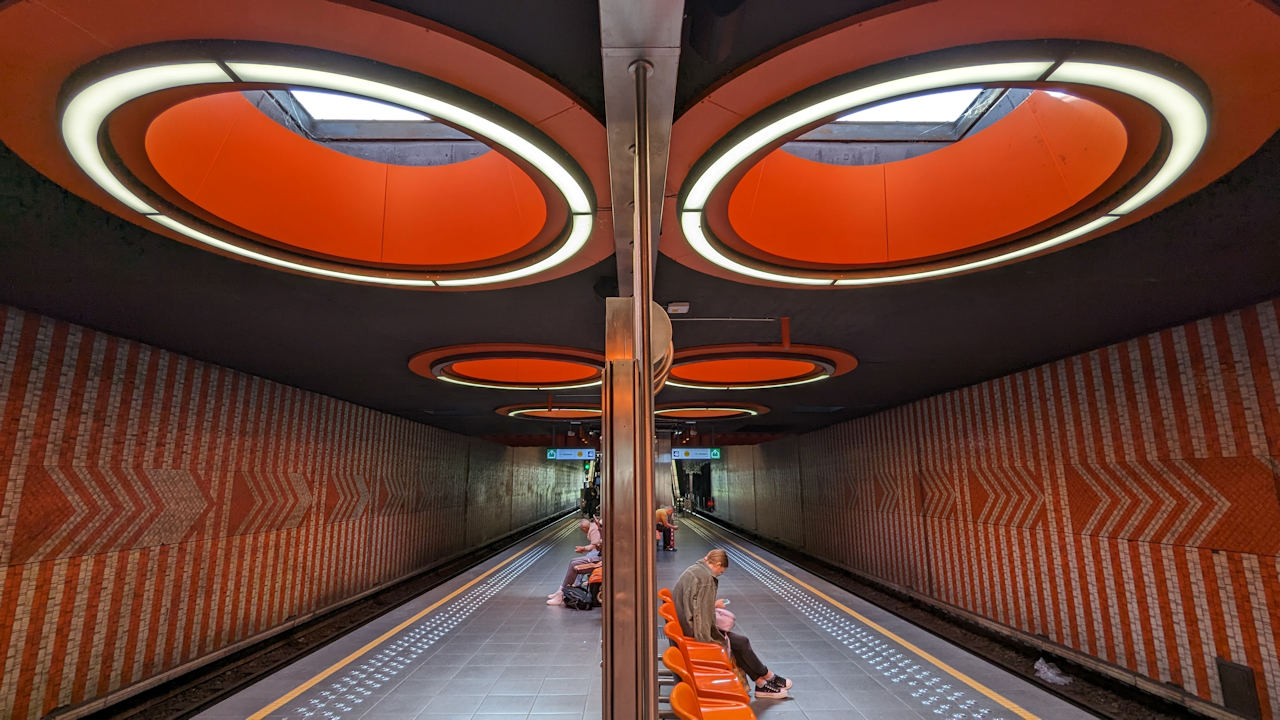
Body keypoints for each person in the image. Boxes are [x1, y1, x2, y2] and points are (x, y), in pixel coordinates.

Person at [671, 549, 792, 699]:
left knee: (739, 643)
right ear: (717, 564)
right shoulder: (706, 579)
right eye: (720, 572)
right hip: (694, 632)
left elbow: (695, 605)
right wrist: (710, 642)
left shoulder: (695, 570)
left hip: (686, 626)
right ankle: (766, 678)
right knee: (740, 643)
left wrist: (712, 604)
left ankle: (763, 681)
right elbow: (699, 616)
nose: (718, 575)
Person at [547, 518, 602, 606]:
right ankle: (560, 591)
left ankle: (561, 593)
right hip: (601, 555)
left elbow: (596, 545)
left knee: (575, 564)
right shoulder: (599, 528)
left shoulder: (596, 529)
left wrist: (584, 548)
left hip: (601, 558)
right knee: (573, 561)